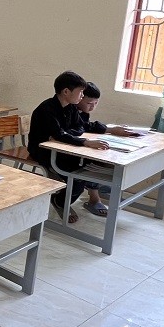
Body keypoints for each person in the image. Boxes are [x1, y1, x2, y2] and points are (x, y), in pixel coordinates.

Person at [29, 71, 112, 224]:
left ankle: (65, 198)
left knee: (88, 168)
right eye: (80, 92)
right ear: (66, 91)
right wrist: (83, 141)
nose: (82, 96)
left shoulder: (71, 107)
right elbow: (59, 134)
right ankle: (59, 201)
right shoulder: (46, 109)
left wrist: (67, 134)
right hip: (43, 151)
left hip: (63, 148)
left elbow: (80, 128)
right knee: (76, 177)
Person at [76, 82, 138, 216]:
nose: (92, 107)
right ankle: (94, 197)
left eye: (96, 103)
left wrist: (110, 129)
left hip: (79, 144)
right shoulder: (70, 110)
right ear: (79, 98)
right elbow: (83, 127)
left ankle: (100, 187)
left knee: (106, 153)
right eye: (89, 103)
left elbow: (87, 126)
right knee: (94, 161)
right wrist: (109, 129)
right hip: (69, 149)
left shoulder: (83, 112)